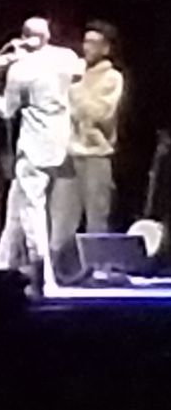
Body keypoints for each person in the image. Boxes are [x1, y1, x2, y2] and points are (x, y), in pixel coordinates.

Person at [0, 17, 82, 295]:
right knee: (15, 207)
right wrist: (23, 55)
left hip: (34, 147)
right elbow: (76, 71)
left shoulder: (21, 70)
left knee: (32, 212)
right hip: (59, 144)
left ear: (25, 37)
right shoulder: (65, 57)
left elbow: (6, 109)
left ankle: (44, 277)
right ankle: (1, 263)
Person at [49, 21, 124, 275]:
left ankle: (98, 270)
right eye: (85, 42)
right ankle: (59, 269)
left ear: (106, 49)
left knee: (96, 216)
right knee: (61, 216)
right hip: (68, 153)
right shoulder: (74, 72)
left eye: (94, 43)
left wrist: (75, 91)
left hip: (95, 155)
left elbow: (100, 112)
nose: (87, 48)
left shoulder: (112, 78)